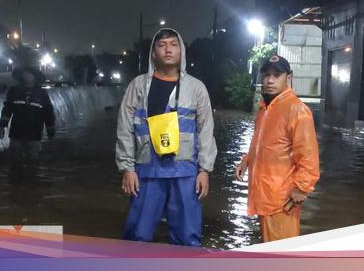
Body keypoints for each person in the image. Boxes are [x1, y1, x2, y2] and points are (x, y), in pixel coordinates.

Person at [115, 28, 217, 246]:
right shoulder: (139, 85)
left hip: (185, 171)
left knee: (188, 236)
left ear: (182, 51)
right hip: (147, 169)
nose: (168, 49)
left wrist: (205, 170)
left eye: (173, 44)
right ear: (153, 53)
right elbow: (125, 127)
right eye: (162, 45)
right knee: (137, 235)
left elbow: (206, 129)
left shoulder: (196, 88)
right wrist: (127, 168)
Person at [234, 55, 320, 243]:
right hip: (264, 194)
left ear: (288, 78)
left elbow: (308, 157)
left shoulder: (297, 110)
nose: (270, 80)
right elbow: (264, 143)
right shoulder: (265, 108)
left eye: (276, 75)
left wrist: (301, 188)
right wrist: (247, 160)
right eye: (266, 75)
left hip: (282, 200)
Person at [0, 66, 56, 179]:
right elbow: (7, 109)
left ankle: (31, 185)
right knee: (15, 160)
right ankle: (15, 183)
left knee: (33, 160)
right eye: (25, 74)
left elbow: (48, 111)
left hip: (34, 132)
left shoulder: (42, 93)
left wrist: (50, 128)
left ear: (35, 77)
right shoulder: (14, 91)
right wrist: (2, 126)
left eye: (30, 74)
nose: (27, 76)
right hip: (16, 131)